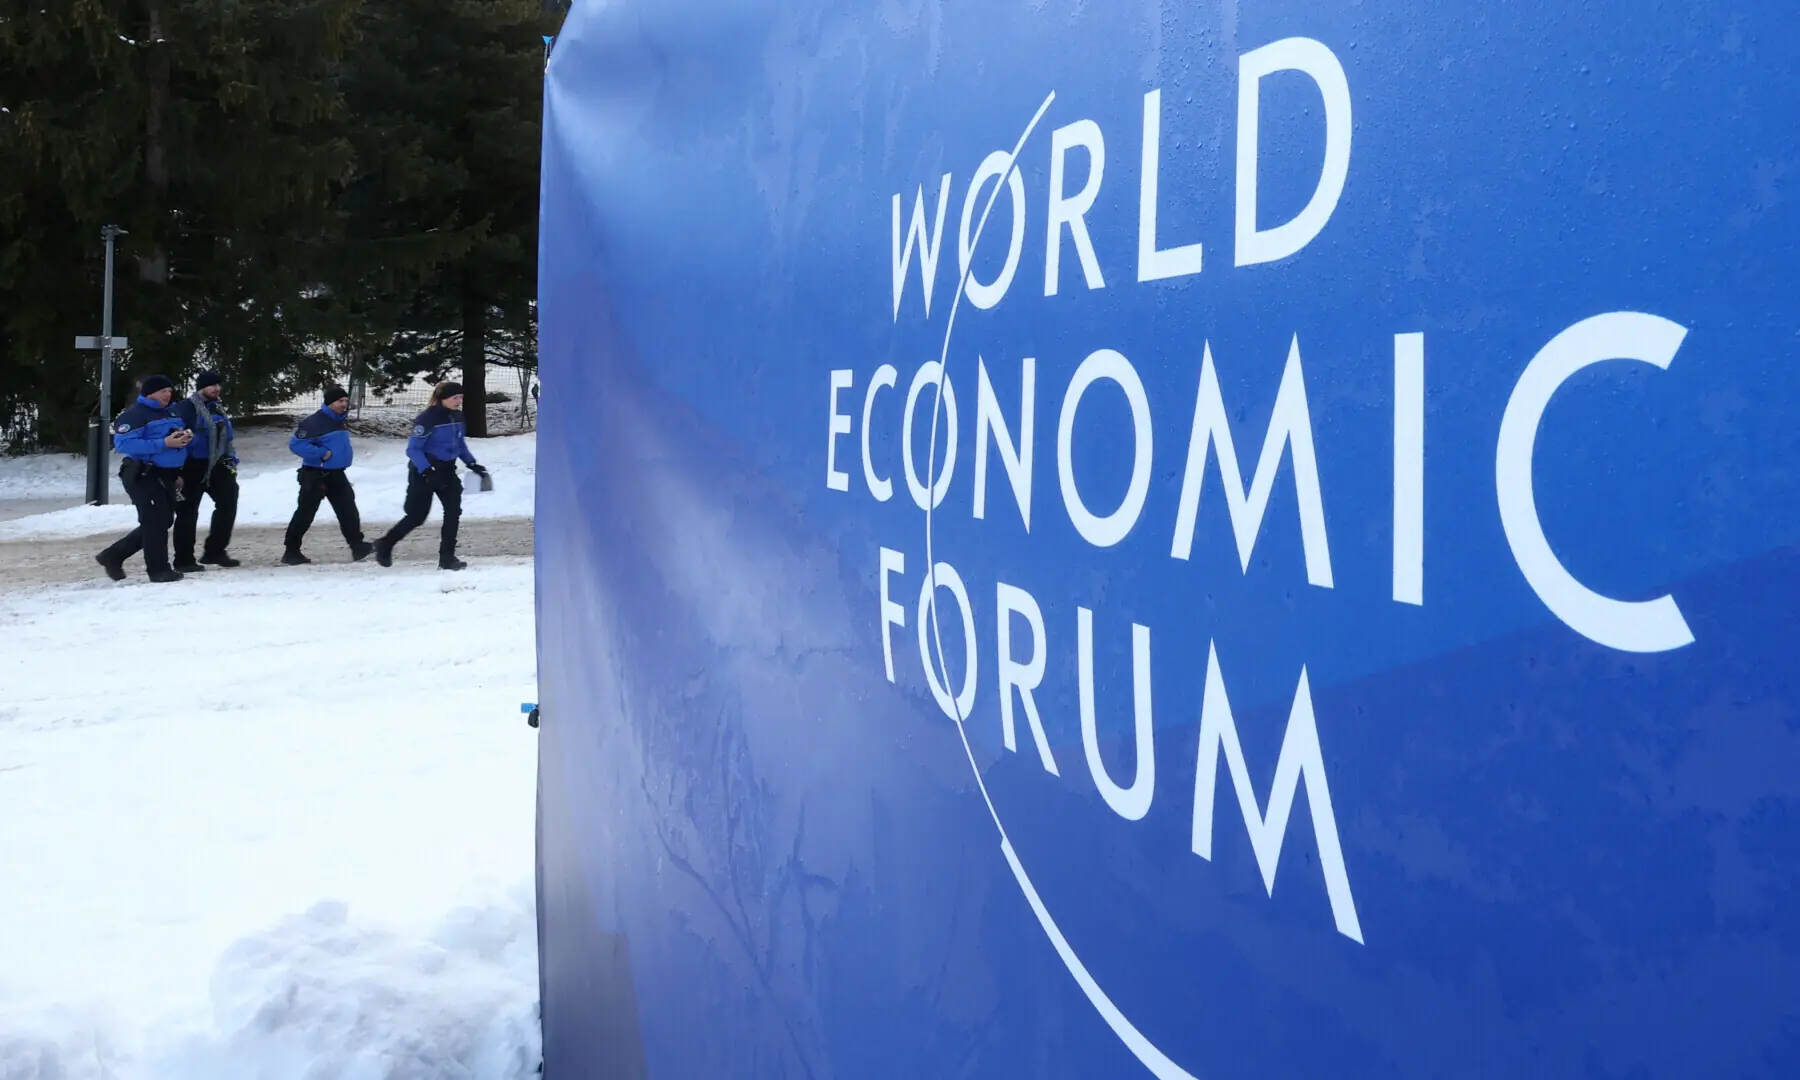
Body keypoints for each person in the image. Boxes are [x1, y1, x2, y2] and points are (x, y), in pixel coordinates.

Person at [373, 380, 489, 571]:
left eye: (461, 397)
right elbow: (413, 450)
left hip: (447, 471)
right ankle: (385, 544)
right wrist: (427, 472)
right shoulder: (427, 419)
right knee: (417, 516)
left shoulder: (458, 416)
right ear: (443, 398)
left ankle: (447, 558)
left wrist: (472, 463)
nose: (459, 401)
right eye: (455, 398)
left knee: (453, 512)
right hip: (424, 471)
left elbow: (459, 444)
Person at [95, 375, 194, 583]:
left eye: (169, 390)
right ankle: (159, 570)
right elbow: (123, 444)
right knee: (155, 520)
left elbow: (173, 441)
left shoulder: (172, 412)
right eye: (162, 391)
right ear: (149, 393)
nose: (167, 394)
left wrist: (183, 443)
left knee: (163, 520)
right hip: (143, 473)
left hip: (167, 474)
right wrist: (164, 443)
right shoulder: (135, 415)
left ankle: (113, 555)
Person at [283, 385, 375, 565]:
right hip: (316, 475)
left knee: (348, 510)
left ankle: (357, 546)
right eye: (340, 401)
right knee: (305, 513)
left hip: (337, 474)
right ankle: (291, 551)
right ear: (329, 403)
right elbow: (296, 445)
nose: (344, 404)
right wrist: (322, 453)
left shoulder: (340, 420)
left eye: (346, 401)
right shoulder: (314, 422)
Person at [171, 370, 241, 571]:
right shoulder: (186, 408)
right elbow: (177, 438)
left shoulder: (217, 408)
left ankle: (215, 551)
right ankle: (184, 559)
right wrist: (178, 469)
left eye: (218, 385)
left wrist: (230, 459)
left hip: (218, 464)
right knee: (187, 512)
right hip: (192, 466)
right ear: (201, 387)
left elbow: (227, 437)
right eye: (212, 385)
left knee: (228, 503)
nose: (216, 389)